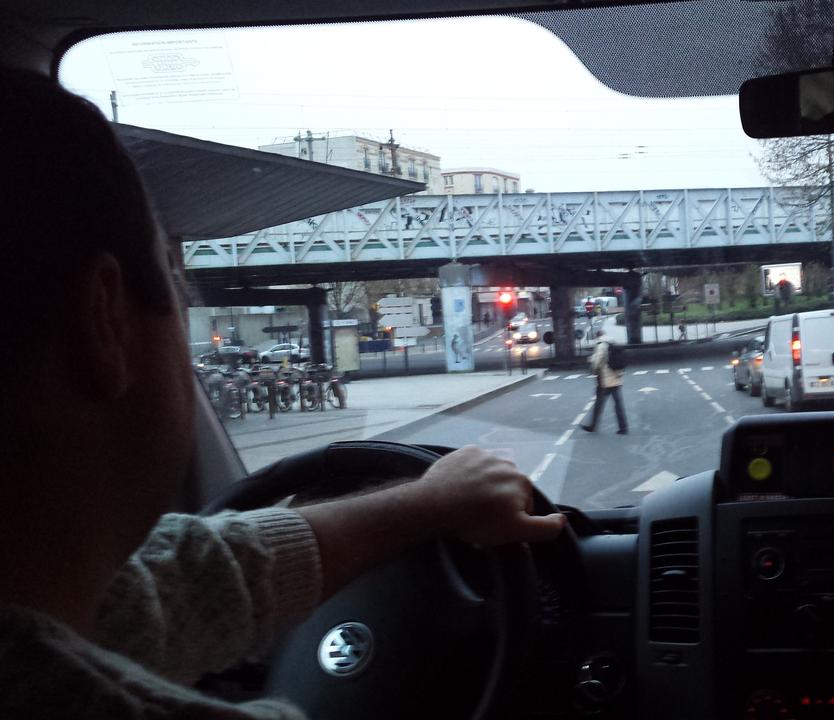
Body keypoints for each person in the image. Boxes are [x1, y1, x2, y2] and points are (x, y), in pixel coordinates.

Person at [0, 69, 565, 718]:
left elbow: (186, 580)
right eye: (179, 293)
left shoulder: (54, 602)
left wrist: (429, 503)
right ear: (102, 323)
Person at [579, 330, 628, 435]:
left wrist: (592, 370)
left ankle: (592, 426)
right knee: (618, 404)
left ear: (598, 336)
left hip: (604, 379)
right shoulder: (613, 342)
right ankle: (623, 427)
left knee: (598, 404)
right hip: (616, 376)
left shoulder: (601, 345)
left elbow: (598, 360)